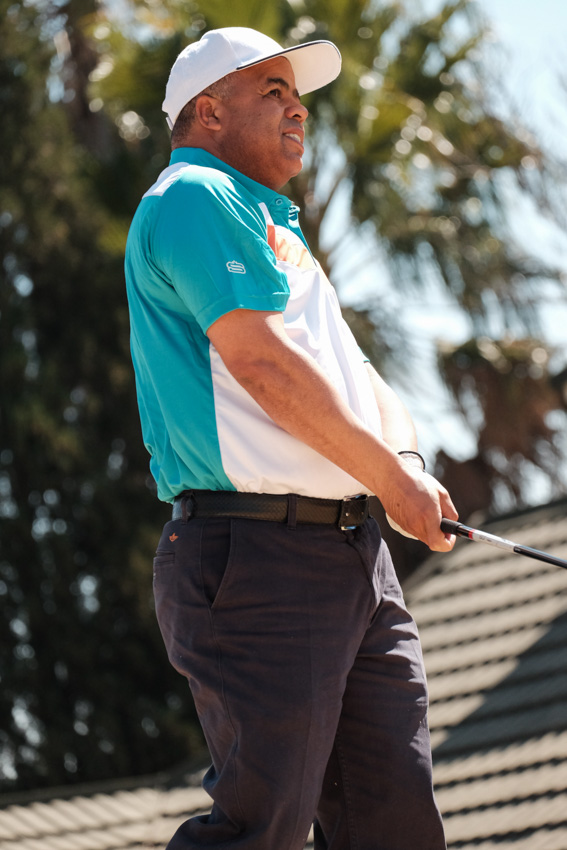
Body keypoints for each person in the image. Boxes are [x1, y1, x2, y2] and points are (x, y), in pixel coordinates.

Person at [125, 26, 458, 850]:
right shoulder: (194, 196)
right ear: (208, 112)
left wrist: (404, 465)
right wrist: (392, 482)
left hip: (349, 555)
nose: (297, 109)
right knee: (258, 832)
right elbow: (264, 365)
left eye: (297, 94)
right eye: (271, 91)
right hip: (255, 557)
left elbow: (359, 380)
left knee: (394, 826)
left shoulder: (276, 231)